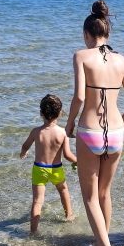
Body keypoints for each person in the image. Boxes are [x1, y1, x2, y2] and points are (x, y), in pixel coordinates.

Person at [65, 0, 124, 246]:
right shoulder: (122, 60)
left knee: (90, 198)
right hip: (116, 132)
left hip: (90, 131)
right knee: (105, 193)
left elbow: (79, 97)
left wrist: (69, 124)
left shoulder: (81, 56)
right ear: (107, 32)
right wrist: (122, 124)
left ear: (87, 34)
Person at [19, 94, 76, 234]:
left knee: (37, 201)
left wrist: (23, 153)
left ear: (41, 113)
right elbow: (67, 155)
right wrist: (78, 161)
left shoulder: (36, 132)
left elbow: (25, 145)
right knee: (63, 191)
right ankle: (69, 216)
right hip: (56, 169)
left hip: (39, 169)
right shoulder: (62, 133)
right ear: (60, 113)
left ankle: (33, 231)